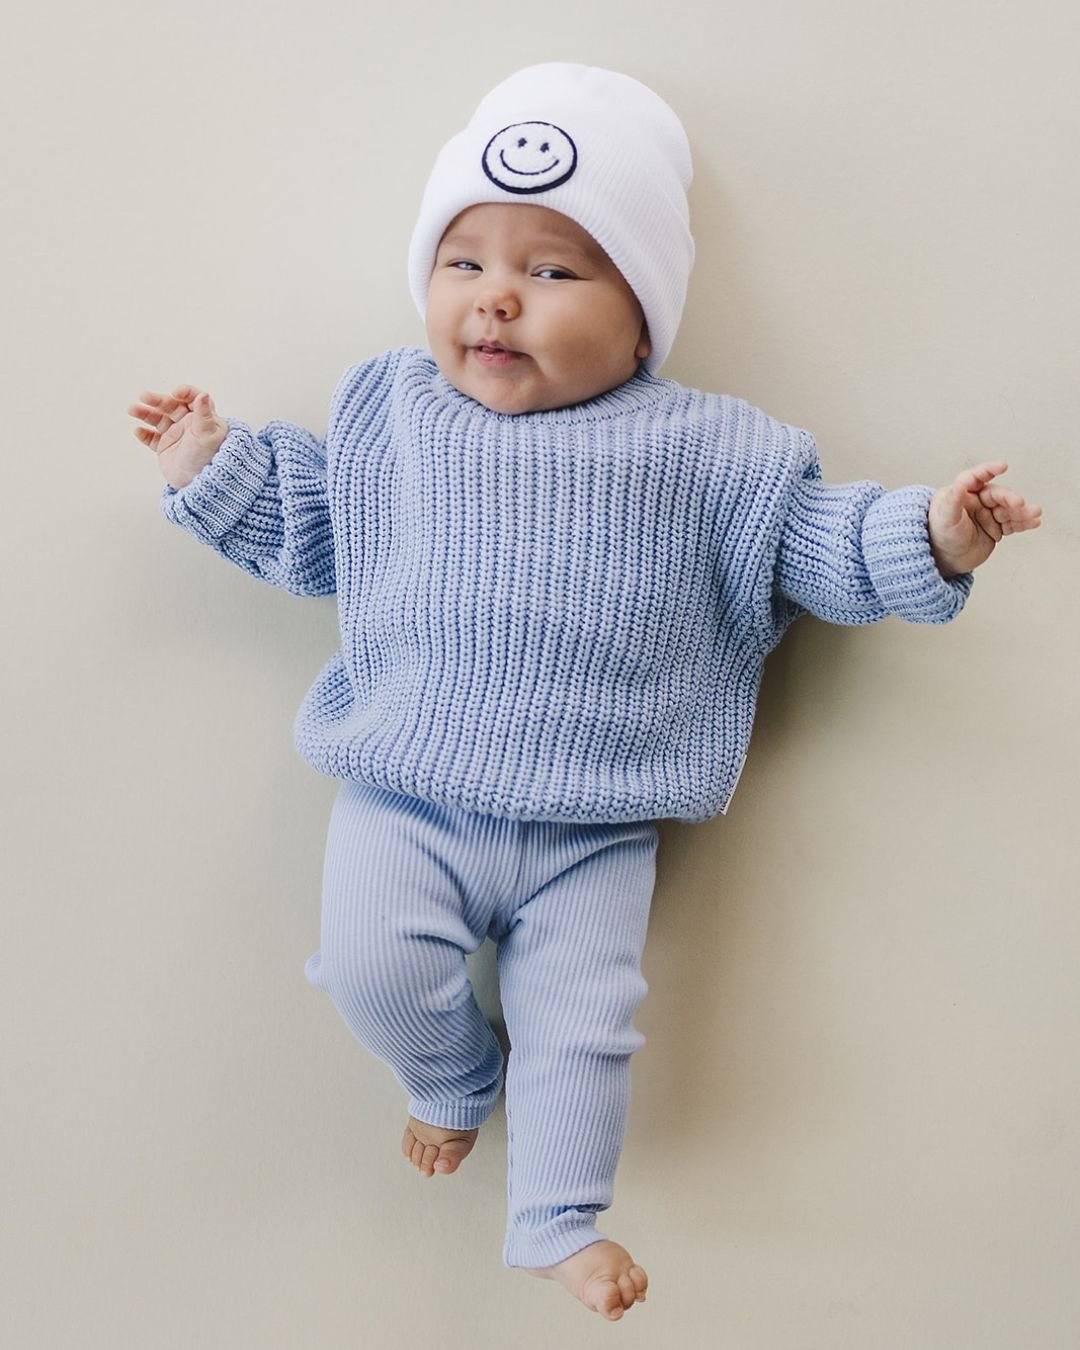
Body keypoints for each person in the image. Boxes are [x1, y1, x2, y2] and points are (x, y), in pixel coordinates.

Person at [126, 63, 1042, 1322]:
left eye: (555, 271)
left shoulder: (710, 450)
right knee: (369, 963)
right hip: (407, 792)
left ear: (642, 314)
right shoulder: (395, 415)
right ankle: (449, 1077)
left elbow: (816, 543)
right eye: (466, 264)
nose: (498, 297)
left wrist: (937, 537)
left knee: (584, 1035)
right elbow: (320, 525)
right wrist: (211, 467)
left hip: (594, 827)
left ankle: (556, 1217)